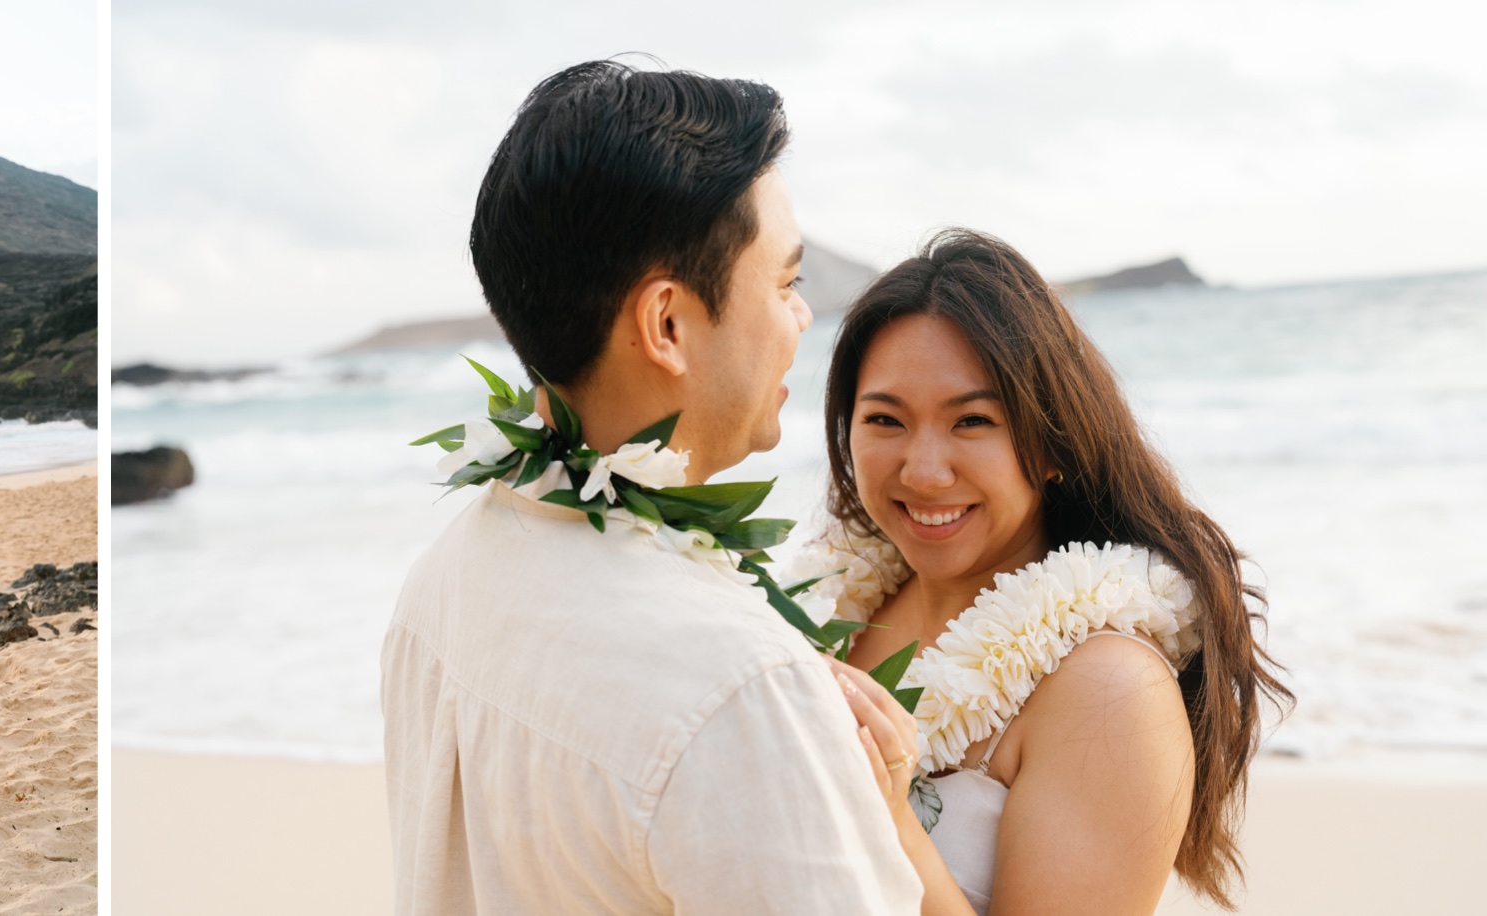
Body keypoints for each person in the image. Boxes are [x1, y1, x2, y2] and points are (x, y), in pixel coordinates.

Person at [381, 60, 920, 914]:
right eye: (785, 283)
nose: (802, 317)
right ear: (668, 324)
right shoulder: (744, 689)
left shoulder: (441, 580)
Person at [788, 229, 1293, 913]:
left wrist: (887, 813)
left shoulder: (1110, 688)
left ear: (1054, 444)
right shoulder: (821, 612)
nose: (924, 470)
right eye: (885, 419)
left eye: (972, 421)